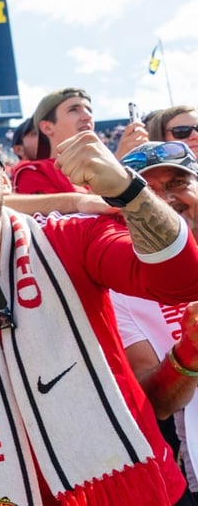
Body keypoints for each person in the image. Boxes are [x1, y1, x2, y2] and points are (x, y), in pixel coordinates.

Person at [0, 115, 198, 506]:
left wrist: (129, 190)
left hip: (134, 491)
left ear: (4, 179)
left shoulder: (71, 237)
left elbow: (182, 280)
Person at [110, 141, 198, 500]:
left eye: (178, 183)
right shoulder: (120, 286)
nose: (165, 199)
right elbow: (156, 399)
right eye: (147, 190)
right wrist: (189, 350)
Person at [11, 87, 94, 194]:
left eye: (89, 110)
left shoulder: (97, 167)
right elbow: (93, 208)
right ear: (47, 128)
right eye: (73, 110)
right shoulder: (34, 172)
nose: (88, 116)